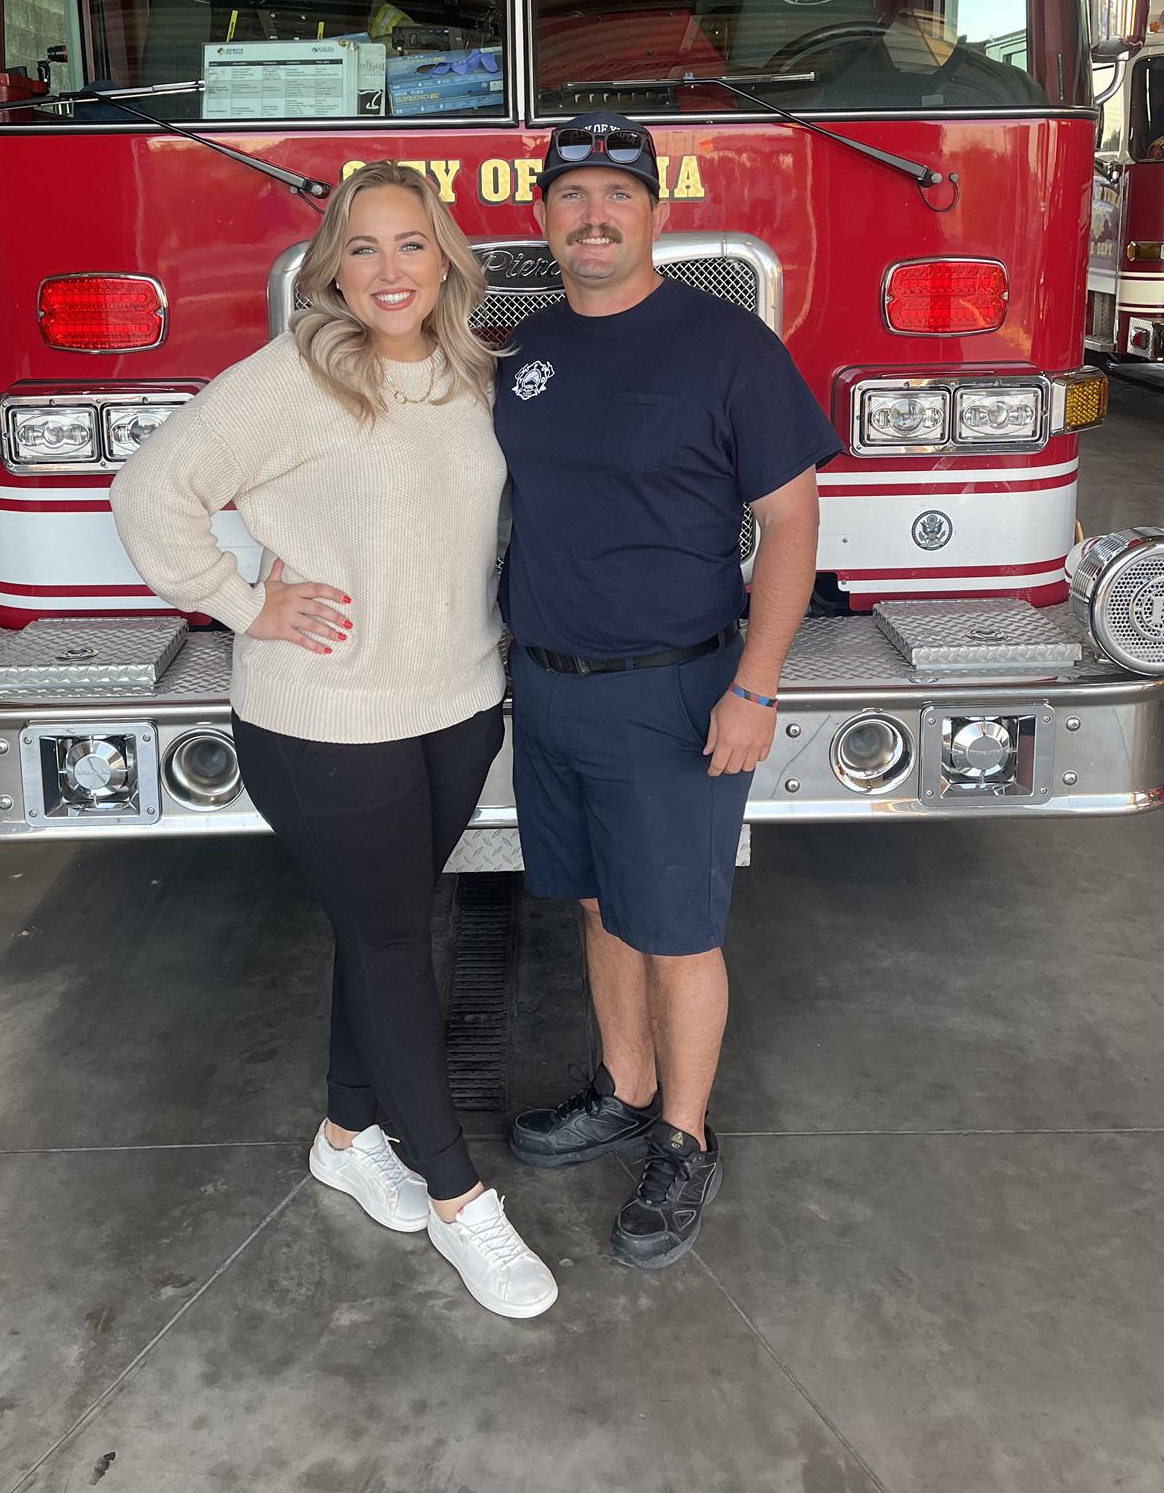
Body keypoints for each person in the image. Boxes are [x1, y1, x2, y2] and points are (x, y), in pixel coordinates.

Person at [111, 160, 556, 1321]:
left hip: (457, 705)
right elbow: (151, 488)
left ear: (446, 259)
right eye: (363, 247)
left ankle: (346, 1134)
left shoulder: (471, 376)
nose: (389, 270)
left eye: (412, 245)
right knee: (398, 942)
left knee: (386, 933)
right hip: (324, 720)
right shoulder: (293, 377)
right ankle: (462, 1203)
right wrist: (243, 598)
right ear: (331, 266)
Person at [494, 112, 839, 1270]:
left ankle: (684, 1137)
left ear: (656, 213)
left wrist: (756, 686)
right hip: (545, 687)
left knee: (678, 928)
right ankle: (624, 1087)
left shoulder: (724, 345)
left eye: (618, 197)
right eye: (574, 196)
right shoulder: (528, 350)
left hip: (675, 693)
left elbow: (791, 521)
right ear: (544, 218)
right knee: (597, 906)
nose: (594, 216)